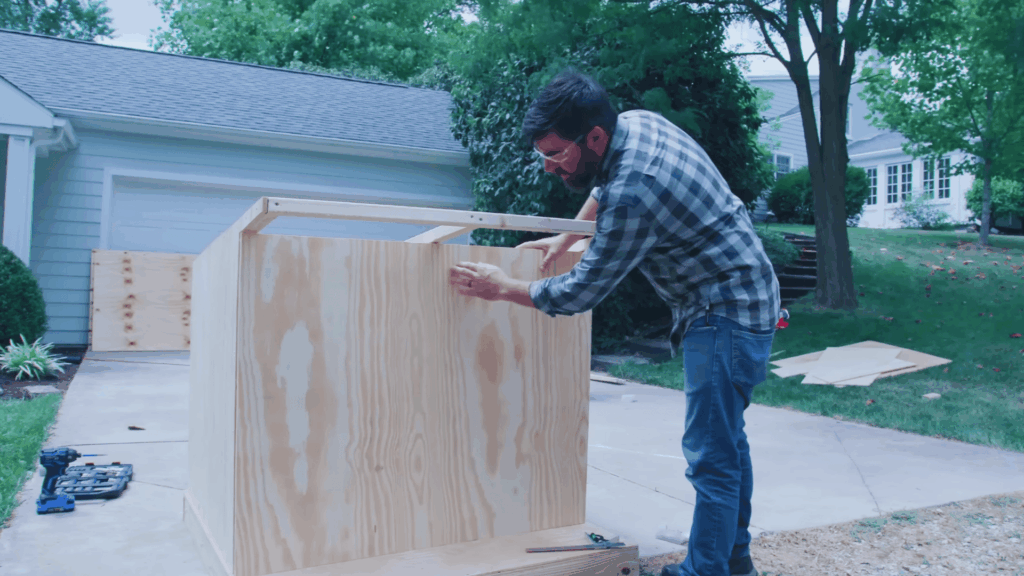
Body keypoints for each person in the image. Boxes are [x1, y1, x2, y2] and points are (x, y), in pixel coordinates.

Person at [448, 68, 780, 576]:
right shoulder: (635, 124)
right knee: (727, 443)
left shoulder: (636, 191)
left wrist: (501, 289)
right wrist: (569, 234)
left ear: (594, 138)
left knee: (712, 454)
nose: (548, 167)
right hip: (743, 294)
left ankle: (706, 571)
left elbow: (581, 291)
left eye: (556, 153)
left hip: (726, 311)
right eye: (543, 154)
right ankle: (734, 562)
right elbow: (603, 190)